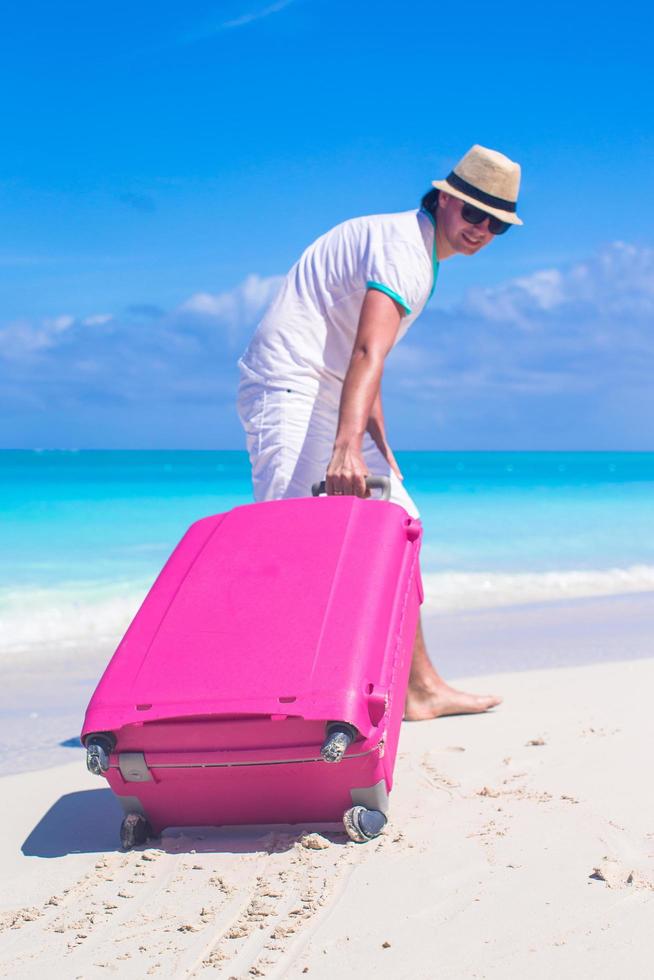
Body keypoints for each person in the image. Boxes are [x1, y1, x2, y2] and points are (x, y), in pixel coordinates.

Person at [237, 144, 523, 720]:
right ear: (444, 200)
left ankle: (420, 688)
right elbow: (367, 348)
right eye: (473, 214)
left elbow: (369, 353)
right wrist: (347, 446)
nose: (481, 230)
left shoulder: (419, 252)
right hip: (289, 387)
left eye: (496, 225)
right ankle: (280, 695)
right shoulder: (405, 254)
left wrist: (373, 436)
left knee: (401, 526)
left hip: (331, 390)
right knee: (289, 537)